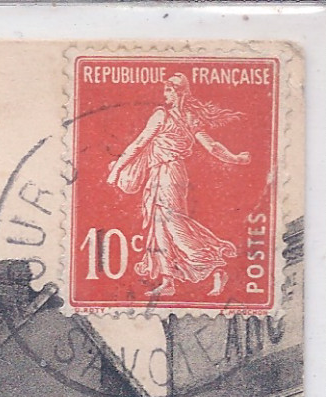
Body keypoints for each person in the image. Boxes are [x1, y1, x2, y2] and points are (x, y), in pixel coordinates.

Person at [105, 73, 250, 299]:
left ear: (178, 91)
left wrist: (116, 170)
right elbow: (213, 147)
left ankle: (214, 265)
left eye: (168, 90)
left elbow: (139, 144)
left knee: (172, 223)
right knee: (159, 224)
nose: (165, 95)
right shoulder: (190, 118)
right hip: (165, 173)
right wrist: (236, 158)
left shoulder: (162, 116)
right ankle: (168, 279)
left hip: (167, 172)